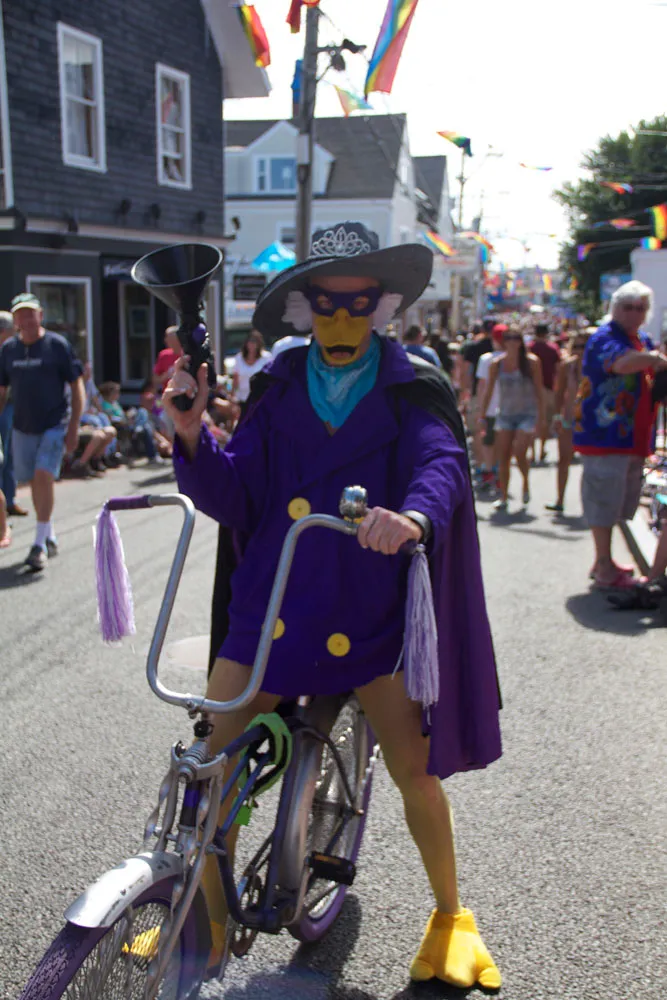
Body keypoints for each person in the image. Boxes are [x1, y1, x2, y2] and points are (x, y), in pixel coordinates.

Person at [164, 221, 502, 990]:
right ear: (305, 308)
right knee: (207, 766)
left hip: (367, 613)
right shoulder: (279, 384)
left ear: (380, 307)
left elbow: (441, 462)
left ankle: (451, 917)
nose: (342, 320)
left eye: (357, 304)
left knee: (415, 771)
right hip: (272, 609)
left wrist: (411, 517)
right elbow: (236, 494)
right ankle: (201, 915)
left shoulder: (410, 383)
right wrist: (191, 434)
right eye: (327, 304)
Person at [574, 280, 667, 588]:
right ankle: (604, 565)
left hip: (632, 439)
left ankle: (604, 561)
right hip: (606, 438)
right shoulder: (605, 337)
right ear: (615, 309)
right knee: (603, 502)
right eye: (628, 307)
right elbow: (620, 363)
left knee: (619, 504)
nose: (635, 313)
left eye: (640, 308)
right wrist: (655, 359)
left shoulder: (642, 339)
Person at [0, 292, 84, 571]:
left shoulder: (56, 345)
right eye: (20, 314)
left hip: (54, 423)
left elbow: (77, 385)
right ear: (15, 320)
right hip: (23, 426)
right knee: (33, 482)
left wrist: (74, 427)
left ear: (40, 315)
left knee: (43, 475)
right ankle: (48, 533)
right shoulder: (8, 350)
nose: (26, 319)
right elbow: (2, 390)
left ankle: (38, 545)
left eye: (30, 313)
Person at [479, 325, 546, 511]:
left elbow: (539, 391)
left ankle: (525, 481)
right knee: (504, 455)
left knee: (520, 452)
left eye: (515, 338)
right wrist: (482, 415)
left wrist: (541, 418)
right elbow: (488, 391)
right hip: (505, 414)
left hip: (527, 413)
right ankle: (503, 496)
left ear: (521, 341)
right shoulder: (497, 364)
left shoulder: (532, 362)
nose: (512, 342)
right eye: (508, 338)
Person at [545, 329, 592, 514]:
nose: (581, 350)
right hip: (569, 419)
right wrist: (556, 416)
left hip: (590, 421)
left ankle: (589, 505)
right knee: (564, 459)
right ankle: (560, 499)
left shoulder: (597, 367)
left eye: (585, 346)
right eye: (577, 345)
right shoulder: (567, 366)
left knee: (590, 464)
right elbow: (559, 393)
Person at [0, 311, 27, 517]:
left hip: (11, 407)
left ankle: (9, 500)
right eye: (13, 330)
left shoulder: (11, 352)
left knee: (9, 454)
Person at [475, 324, 506, 491]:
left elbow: (482, 386)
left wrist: (480, 408)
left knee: (488, 442)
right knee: (503, 443)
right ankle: (500, 473)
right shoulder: (513, 359)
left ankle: (488, 471)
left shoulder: (486, 359)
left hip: (489, 408)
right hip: (507, 408)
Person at [461, 318, 495, 470]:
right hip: (498, 395)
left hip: (477, 393)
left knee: (477, 431)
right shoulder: (503, 348)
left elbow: (465, 372)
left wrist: (465, 392)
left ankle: (482, 466)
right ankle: (493, 466)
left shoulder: (473, 347)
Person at [529, 322, 560, 464]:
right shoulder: (553, 349)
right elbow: (558, 370)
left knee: (531, 421)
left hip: (531, 389)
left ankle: (532, 452)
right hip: (548, 388)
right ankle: (542, 449)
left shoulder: (529, 348)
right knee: (545, 421)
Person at [232, 330, 271, 403]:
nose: (252, 344)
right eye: (250, 341)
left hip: (260, 398)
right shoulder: (239, 358)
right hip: (242, 398)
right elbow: (235, 379)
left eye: (254, 342)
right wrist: (232, 395)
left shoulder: (266, 357)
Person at [152, 325, 183, 393]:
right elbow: (155, 379)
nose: (165, 340)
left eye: (167, 337)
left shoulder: (187, 355)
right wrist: (167, 375)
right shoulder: (164, 355)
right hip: (168, 395)